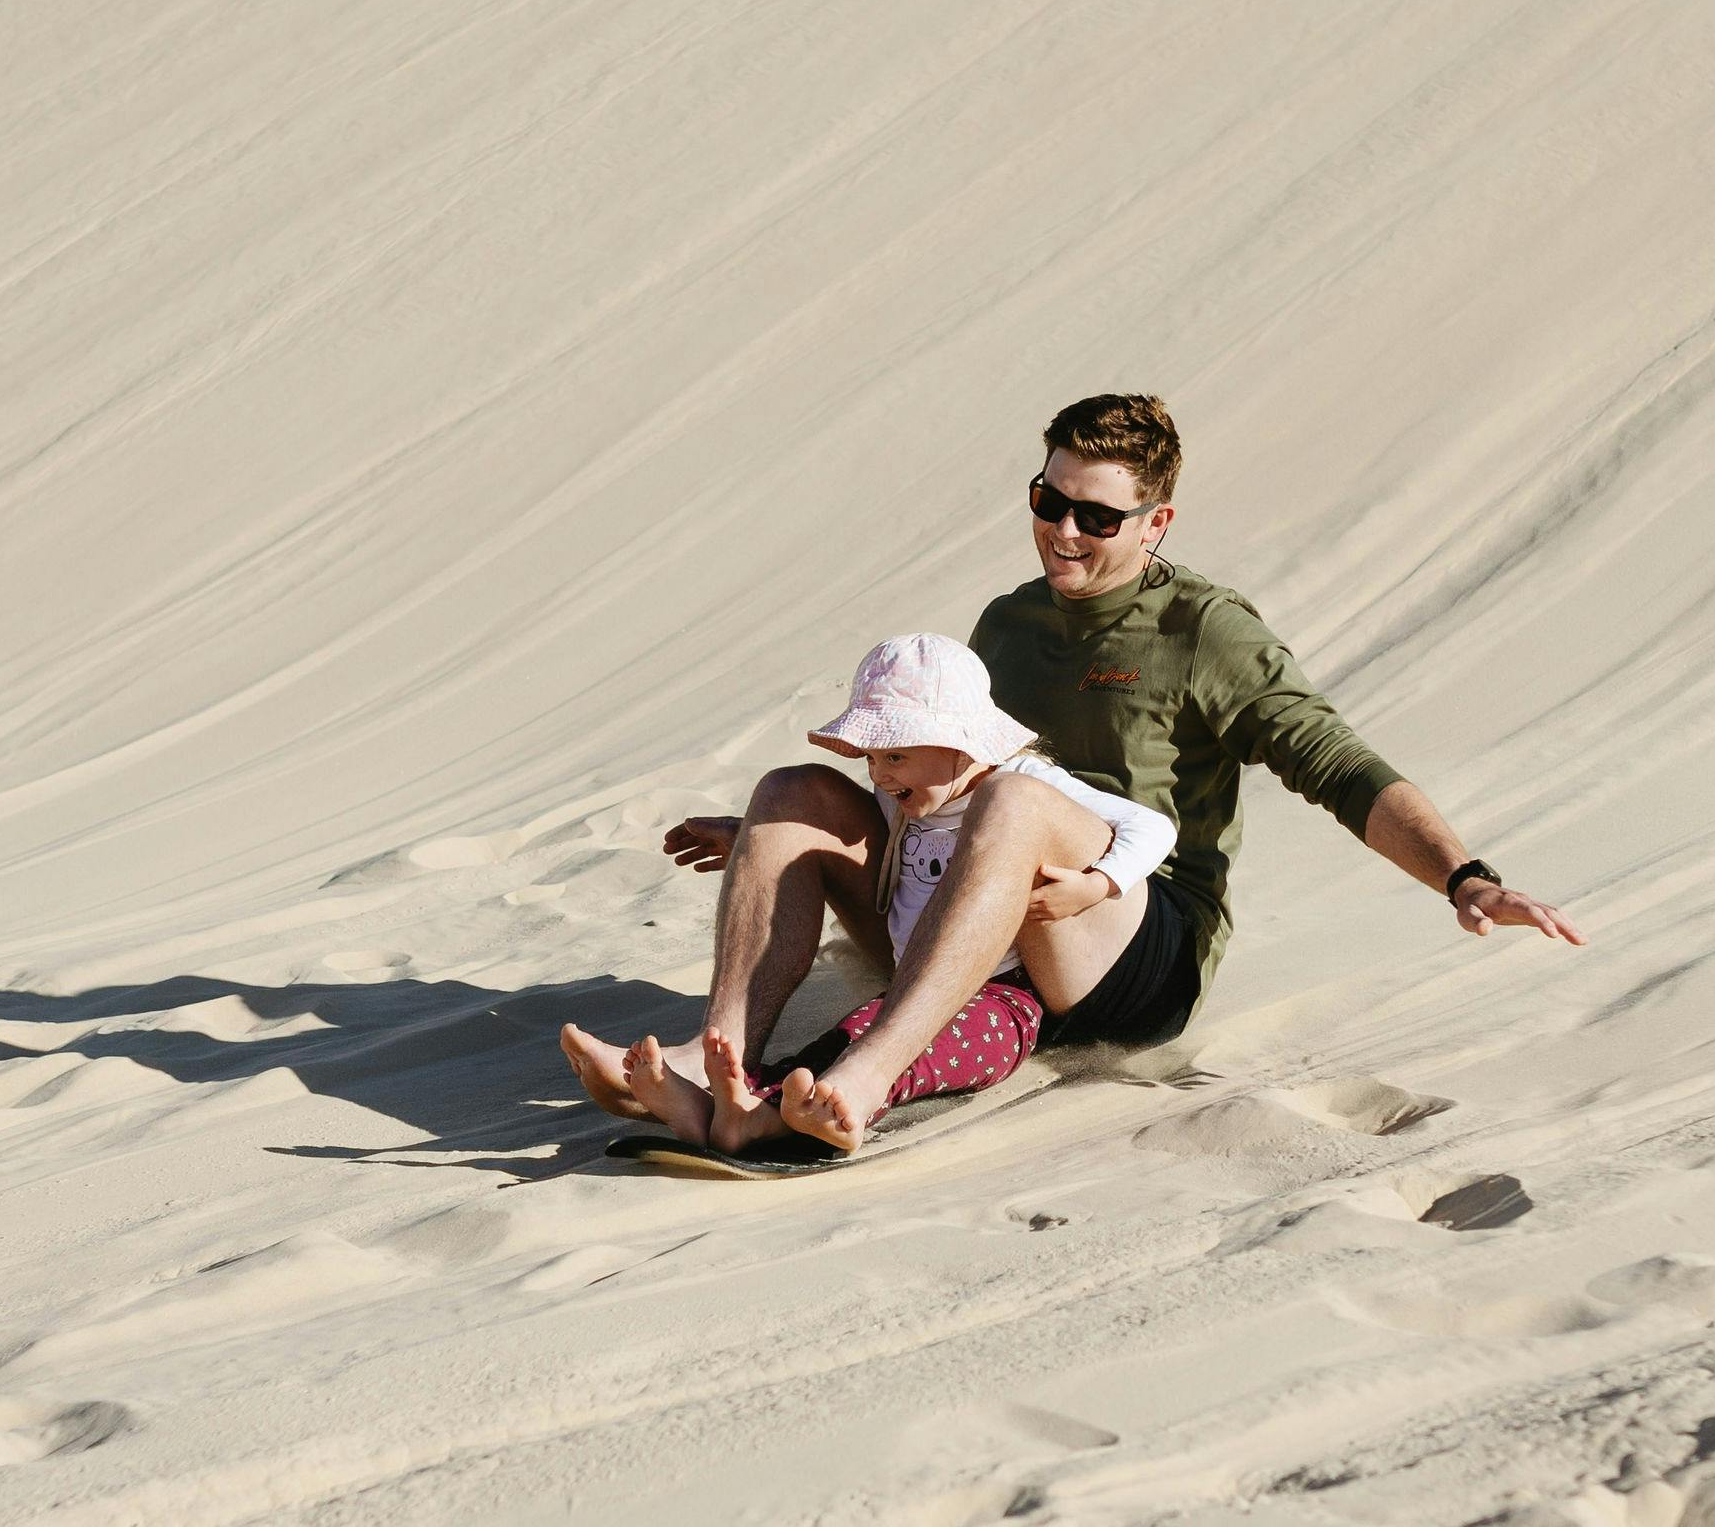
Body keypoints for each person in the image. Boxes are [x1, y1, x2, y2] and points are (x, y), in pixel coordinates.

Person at [564, 392, 1582, 1153]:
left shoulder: (1205, 632)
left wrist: (1464, 876)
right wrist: (780, 843)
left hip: (1129, 945)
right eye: (1051, 501)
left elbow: (1338, 764)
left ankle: (864, 1079)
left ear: (1156, 524)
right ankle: (712, 1063)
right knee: (793, 792)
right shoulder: (1009, 624)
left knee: (1018, 796)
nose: (1064, 530)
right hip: (977, 915)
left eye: (1098, 517)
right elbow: (935, 777)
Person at [606, 632, 1173, 1153]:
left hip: (1010, 997)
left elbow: (1152, 827)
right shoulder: (907, 794)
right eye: (872, 756)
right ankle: (727, 1100)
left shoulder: (1027, 782)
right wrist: (758, 835)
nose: (878, 774)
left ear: (961, 745)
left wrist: (1097, 883)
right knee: (857, 1029)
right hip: (918, 979)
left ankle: (786, 1110)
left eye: (895, 755)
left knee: (890, 1044)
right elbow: (848, 836)